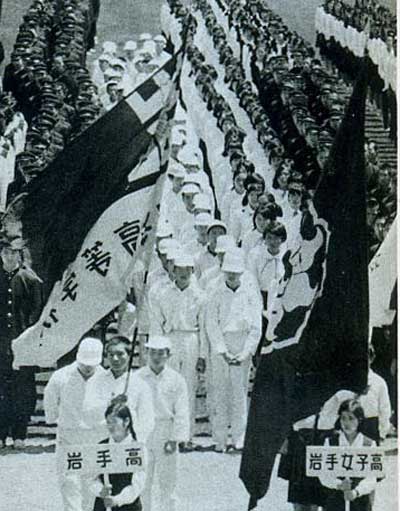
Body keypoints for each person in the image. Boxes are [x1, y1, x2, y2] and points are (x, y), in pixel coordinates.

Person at [206, 248, 262, 452]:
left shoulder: (250, 293)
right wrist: (222, 351)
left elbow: (256, 325)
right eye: (229, 271)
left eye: (235, 271)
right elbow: (211, 323)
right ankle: (219, 439)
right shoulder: (215, 292)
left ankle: (239, 438)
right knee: (220, 392)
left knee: (239, 394)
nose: (232, 275)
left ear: (241, 272)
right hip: (221, 345)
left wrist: (246, 352)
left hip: (242, 344)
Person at [44, 337, 108, 511]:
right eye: (84, 363)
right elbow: (50, 401)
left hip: (95, 438)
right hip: (69, 437)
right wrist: (55, 419)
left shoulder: (106, 378)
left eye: (91, 364)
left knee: (91, 484)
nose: (87, 367)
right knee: (69, 483)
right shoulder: (60, 377)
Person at [149, 251, 204, 450]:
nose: (183, 273)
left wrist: (202, 355)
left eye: (187, 269)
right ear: (173, 270)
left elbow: (203, 327)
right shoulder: (163, 293)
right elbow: (157, 323)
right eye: (179, 269)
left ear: (192, 270)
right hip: (169, 339)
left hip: (191, 339)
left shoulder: (199, 296)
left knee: (188, 387)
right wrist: (158, 348)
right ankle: (167, 435)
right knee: (167, 386)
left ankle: (186, 436)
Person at [136, 335, 189, 511]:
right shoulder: (137, 377)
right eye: (152, 352)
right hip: (143, 431)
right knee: (142, 481)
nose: (156, 357)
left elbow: (182, 411)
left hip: (166, 430)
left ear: (169, 355)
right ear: (146, 353)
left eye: (161, 353)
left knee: (168, 482)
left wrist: (175, 439)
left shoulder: (176, 379)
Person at [0, 237, 43, 449]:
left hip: (22, 344)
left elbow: (37, 312)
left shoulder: (30, 279)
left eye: (13, 253)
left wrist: (28, 338)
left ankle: (20, 433)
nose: (9, 257)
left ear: (19, 255)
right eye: (6, 253)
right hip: (0, 345)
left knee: (23, 390)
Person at [319, 399, 378, 511]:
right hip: (335, 500)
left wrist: (356, 492)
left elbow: (372, 478)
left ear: (359, 420)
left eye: (351, 418)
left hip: (360, 501)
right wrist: (339, 484)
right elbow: (323, 474)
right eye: (343, 418)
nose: (347, 423)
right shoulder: (331, 442)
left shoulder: (369, 444)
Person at [96, 336, 155, 444]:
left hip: (130, 444)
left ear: (129, 355)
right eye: (111, 354)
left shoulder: (140, 385)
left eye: (120, 354)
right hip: (101, 443)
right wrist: (110, 403)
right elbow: (90, 414)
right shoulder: (96, 381)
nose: (115, 359)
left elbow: (147, 420)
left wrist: (137, 443)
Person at [91, 400, 146, 511]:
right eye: (108, 422)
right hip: (103, 506)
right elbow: (91, 478)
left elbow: (137, 485)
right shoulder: (101, 446)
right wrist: (100, 490)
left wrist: (117, 500)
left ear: (126, 421)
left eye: (114, 422)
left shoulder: (138, 449)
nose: (110, 426)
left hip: (129, 507)